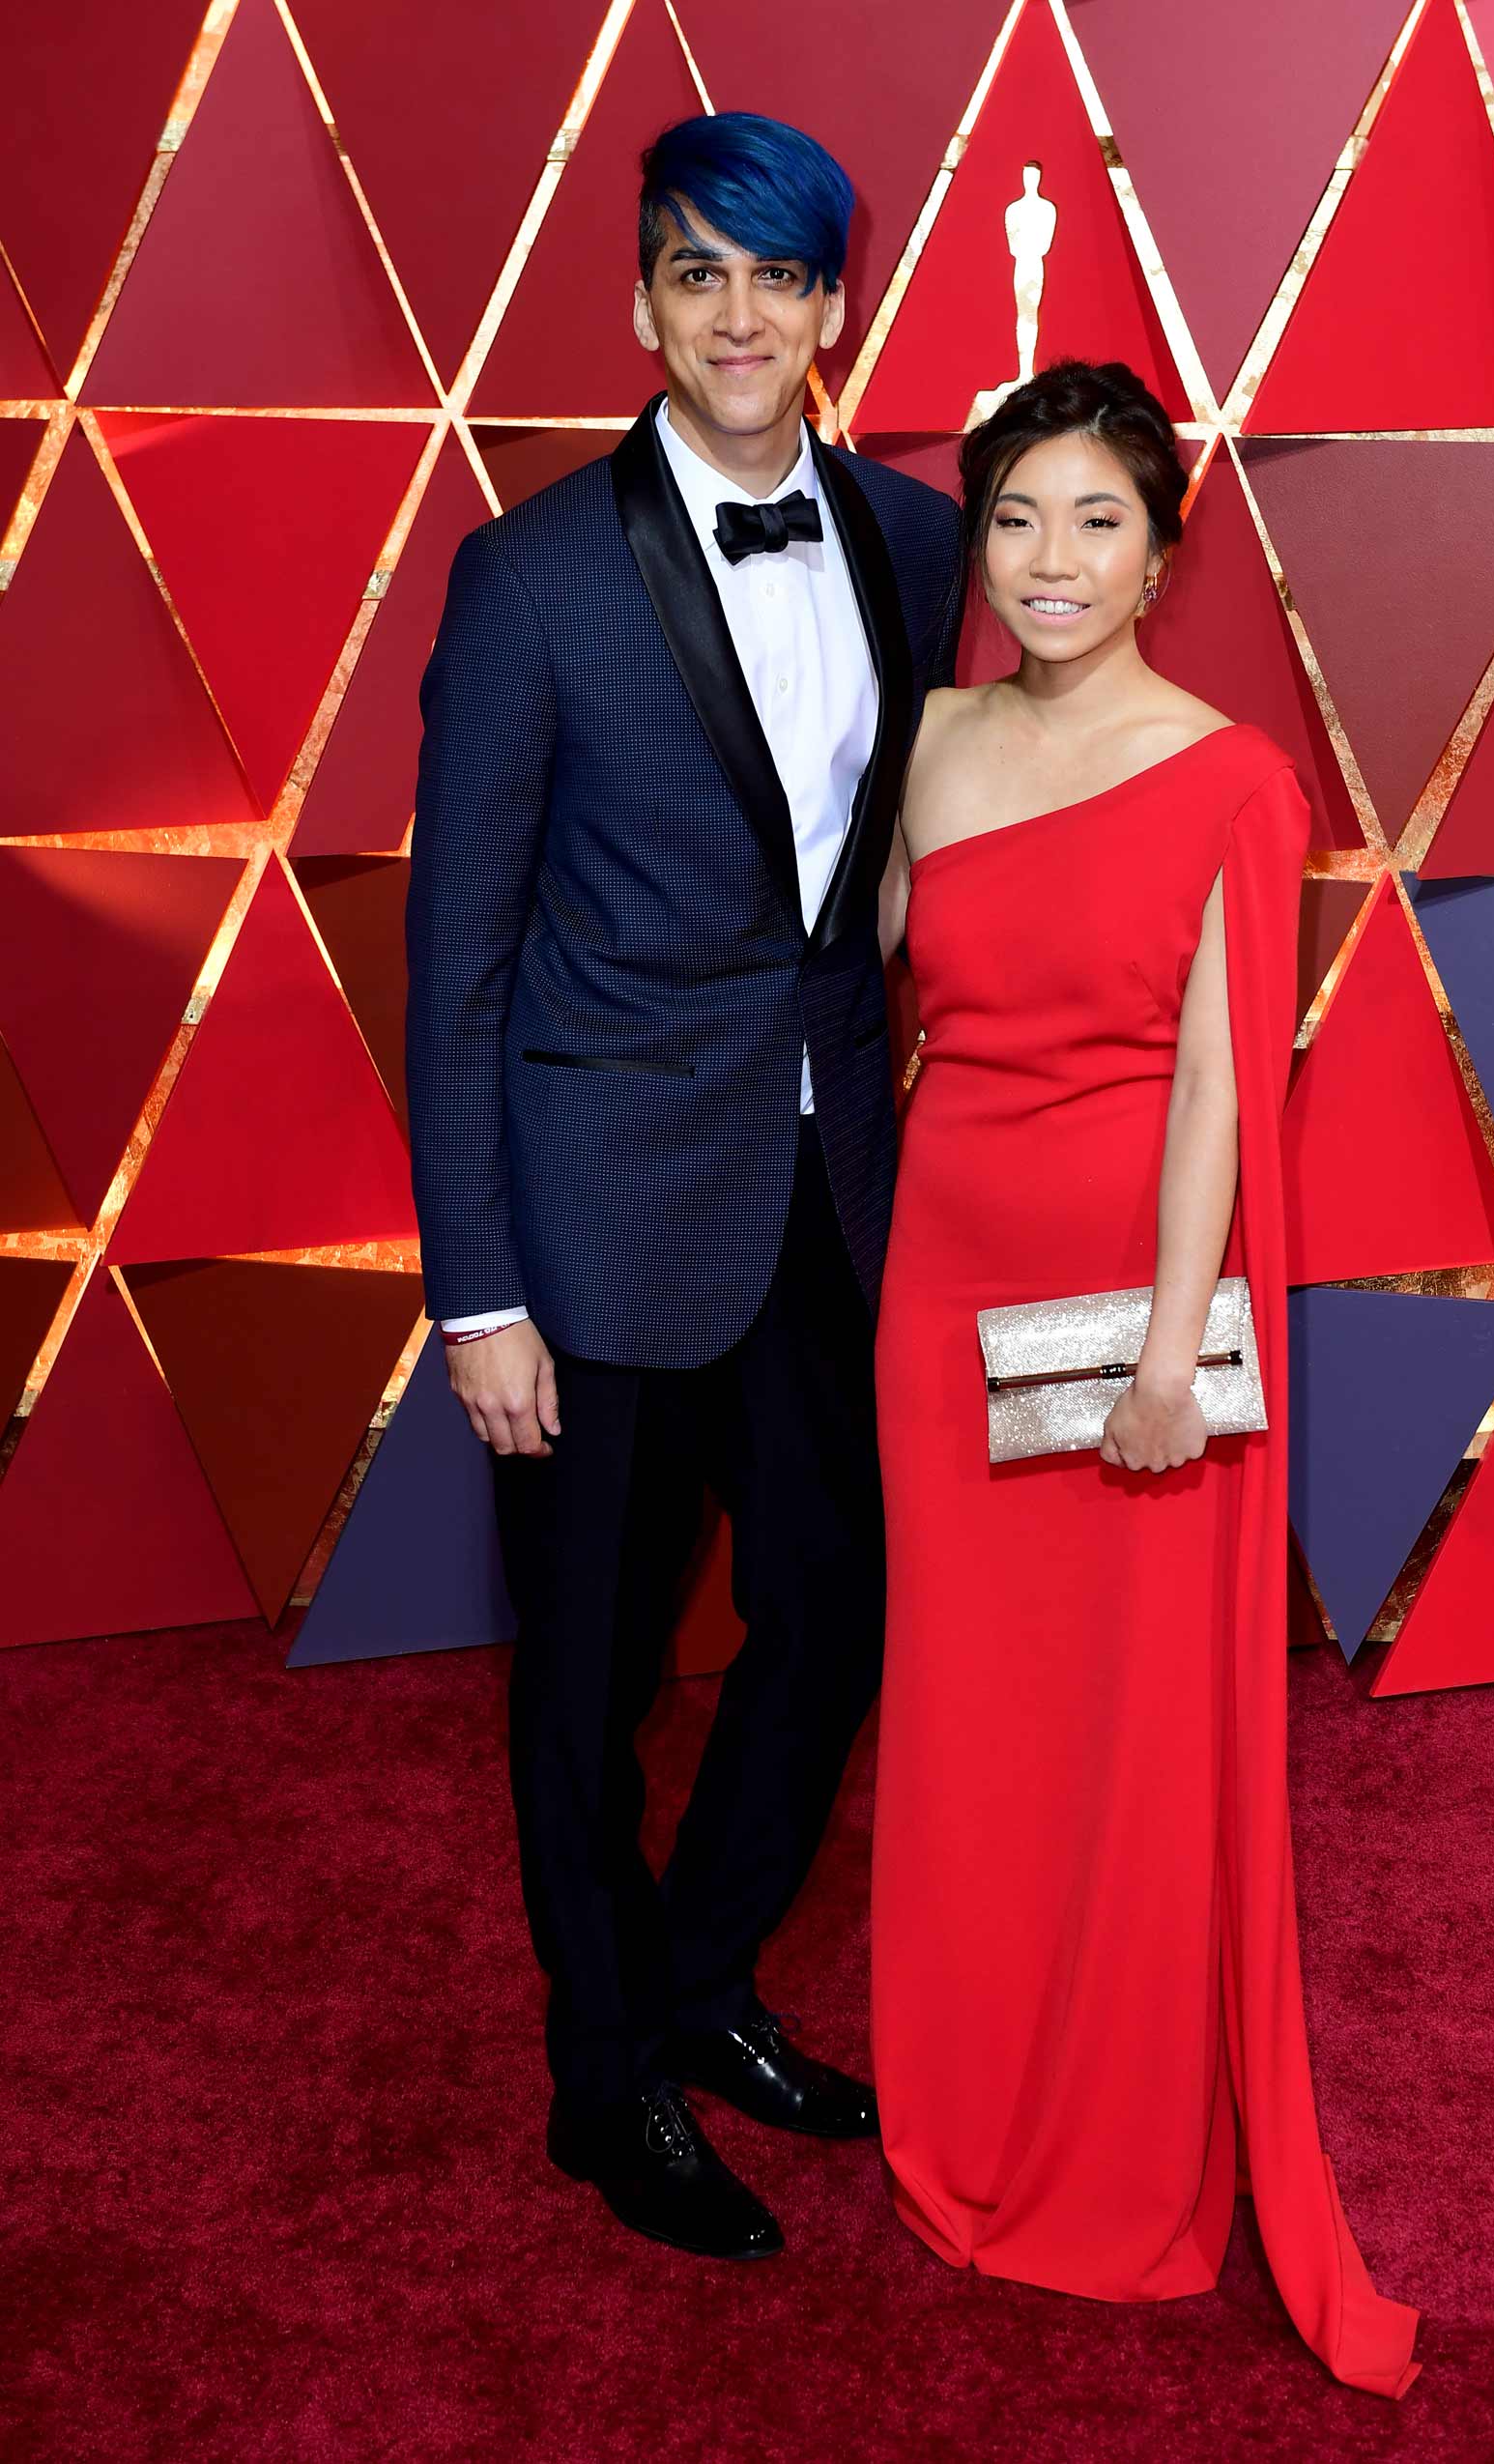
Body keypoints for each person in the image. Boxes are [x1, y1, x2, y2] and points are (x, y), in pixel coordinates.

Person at [403, 111, 963, 2261]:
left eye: (782, 278)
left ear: (833, 308)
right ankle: (600, 2076)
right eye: (698, 275)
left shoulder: (916, 546)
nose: (742, 316)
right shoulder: (530, 573)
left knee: (835, 1616)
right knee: (587, 1679)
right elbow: (454, 955)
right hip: (596, 1210)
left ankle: (708, 1987)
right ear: (642, 302)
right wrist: (477, 1289)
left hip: (833, 1195)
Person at [870, 358, 1421, 2396]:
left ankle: (1113, 2146)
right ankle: (971, 2112)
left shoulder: (1231, 776)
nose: (1050, 561)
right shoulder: (924, 740)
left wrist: (1179, 1348)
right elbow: (881, 1011)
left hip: (1125, 1305)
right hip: (942, 1291)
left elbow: (1215, 1082)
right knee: (963, 1721)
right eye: (1015, 517)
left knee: (1129, 1735)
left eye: (1095, 520)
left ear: (1162, 550)